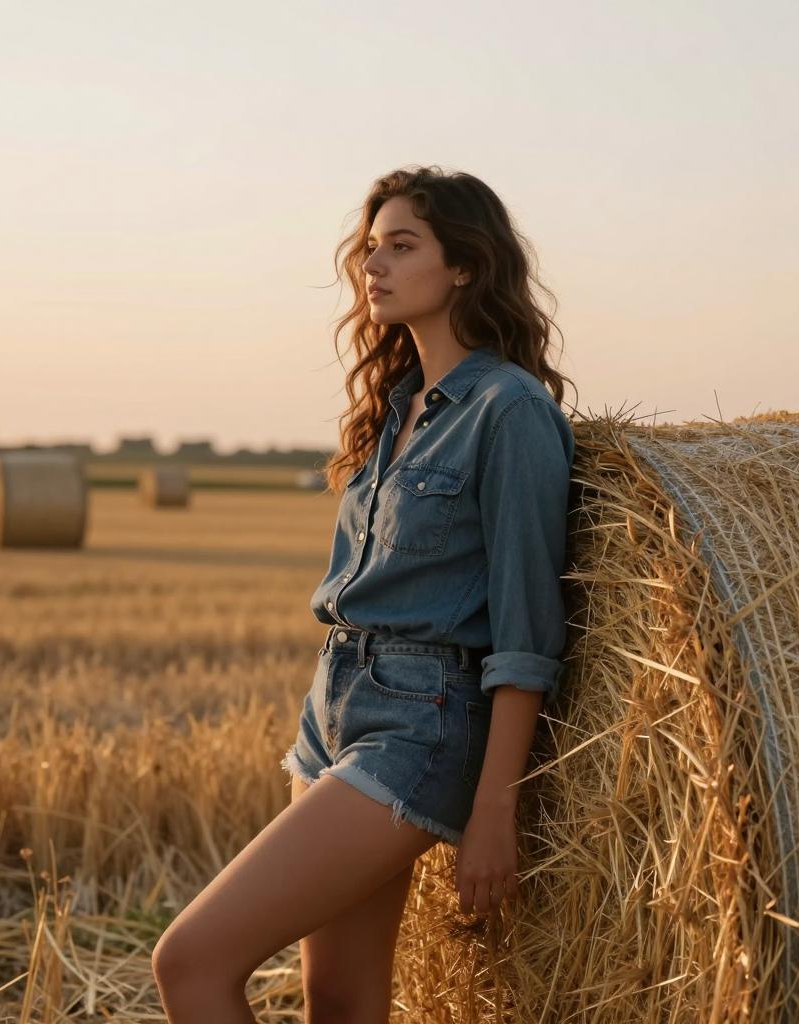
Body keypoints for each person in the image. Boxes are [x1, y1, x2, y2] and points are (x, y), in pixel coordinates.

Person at [151, 164, 577, 1024]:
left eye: (401, 245)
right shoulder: (394, 410)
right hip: (333, 710)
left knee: (189, 962)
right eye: (369, 247)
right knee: (340, 1002)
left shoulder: (509, 412)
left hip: (423, 721)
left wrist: (496, 809)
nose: (372, 266)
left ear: (464, 265)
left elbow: (529, 629)